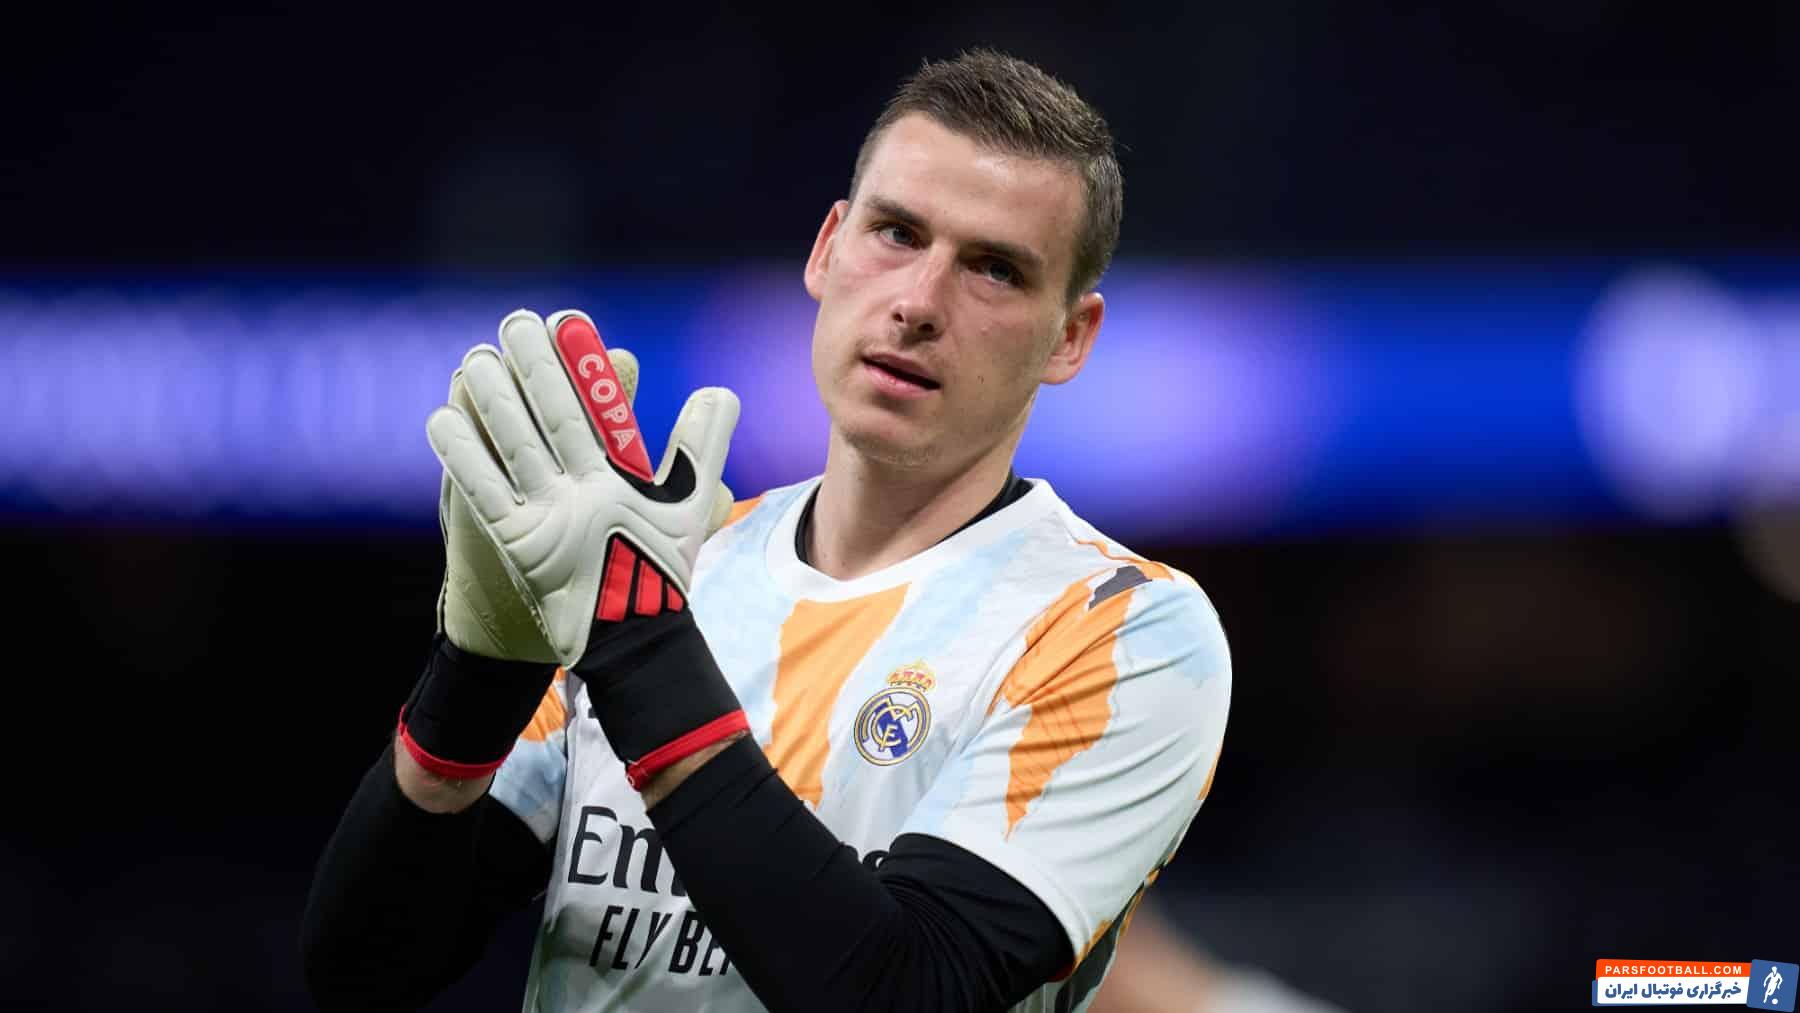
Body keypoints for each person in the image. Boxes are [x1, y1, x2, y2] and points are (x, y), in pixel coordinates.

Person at [301, 49, 1231, 1012]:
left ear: (1070, 337)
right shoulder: (680, 565)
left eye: (994, 269)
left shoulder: (1120, 632)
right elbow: (364, 967)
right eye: (897, 233)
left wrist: (637, 644)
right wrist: (478, 675)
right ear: (827, 248)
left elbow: (905, 992)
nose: (919, 302)